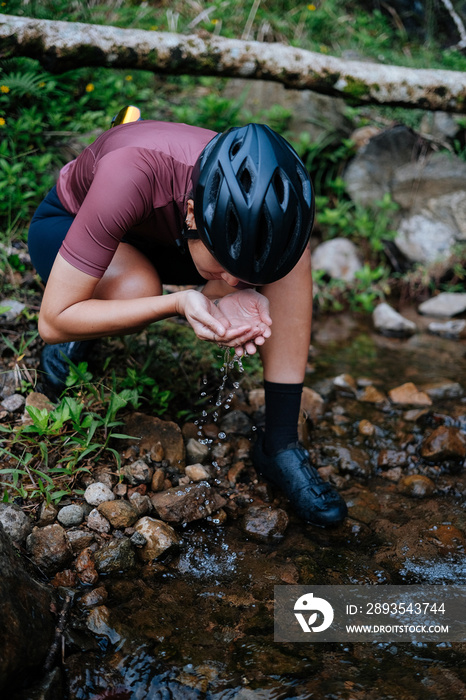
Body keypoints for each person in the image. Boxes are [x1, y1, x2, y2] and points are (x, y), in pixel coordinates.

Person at [28, 117, 347, 528]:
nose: (239, 286)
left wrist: (240, 282)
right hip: (68, 224)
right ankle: (89, 316)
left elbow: (251, 262)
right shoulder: (131, 172)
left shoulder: (263, 195)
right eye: (231, 271)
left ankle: (280, 443)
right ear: (195, 214)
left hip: (168, 237)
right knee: (134, 290)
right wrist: (177, 303)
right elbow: (52, 321)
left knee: (290, 257)